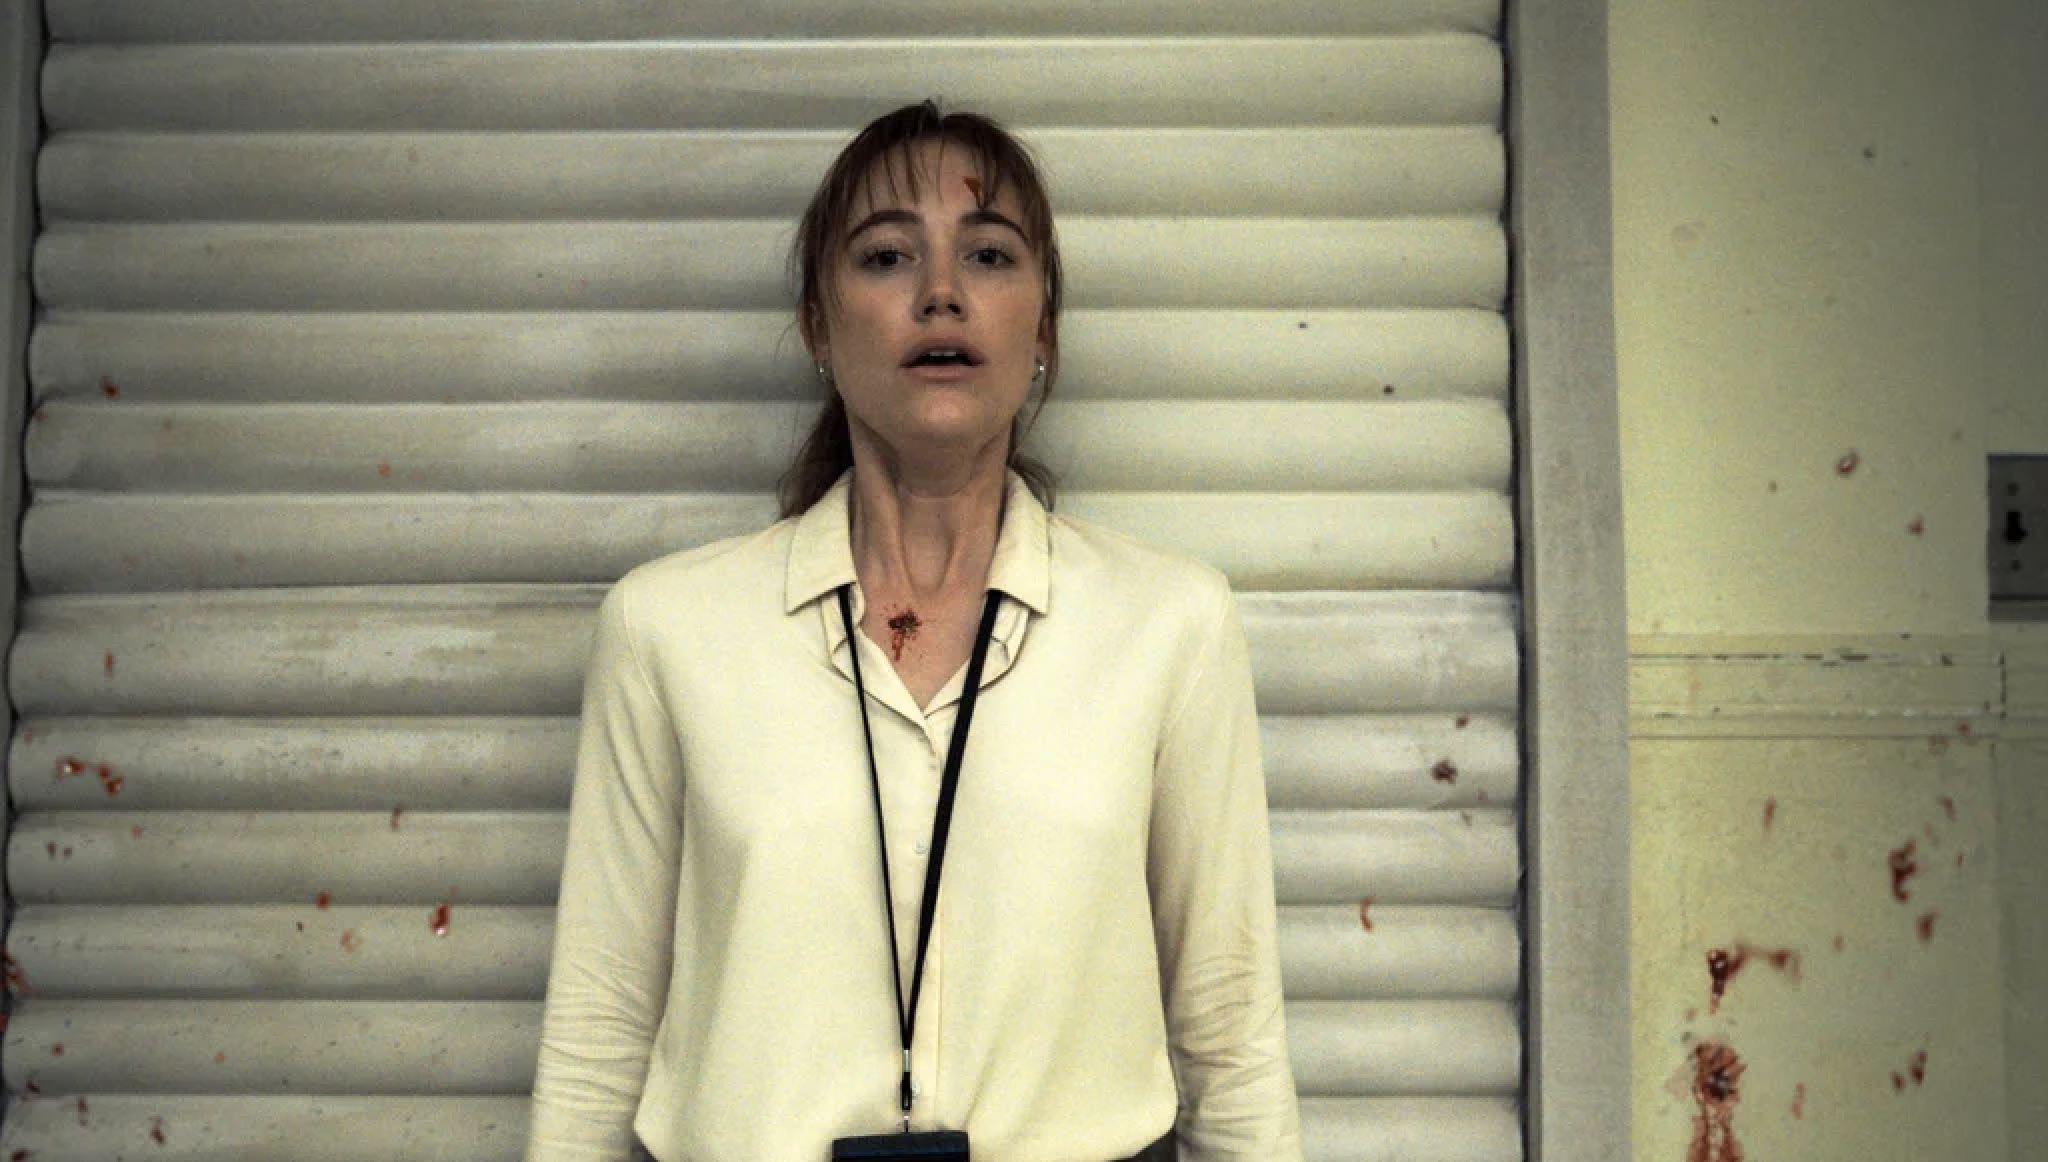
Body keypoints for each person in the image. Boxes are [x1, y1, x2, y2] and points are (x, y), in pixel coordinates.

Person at [526, 101, 1303, 1162]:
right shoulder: (668, 629)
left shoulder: (1168, 622)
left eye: (987, 254)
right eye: (886, 255)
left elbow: (1228, 1031)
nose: (940, 292)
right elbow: (599, 1028)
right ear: (816, 324)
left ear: (1043, 327)